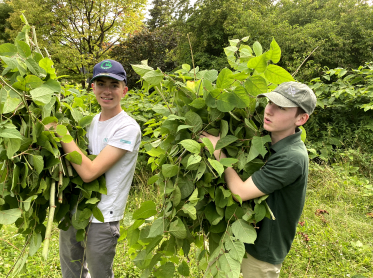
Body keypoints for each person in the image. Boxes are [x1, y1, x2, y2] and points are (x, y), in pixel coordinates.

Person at [201, 81, 316, 278]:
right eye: (270, 102)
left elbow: (240, 192)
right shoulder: (266, 138)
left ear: (301, 118)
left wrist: (219, 153)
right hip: (238, 236)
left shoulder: (292, 157)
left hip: (263, 249)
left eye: (281, 108)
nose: (269, 111)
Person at [52, 59, 141, 278]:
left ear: (125, 90)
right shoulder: (89, 122)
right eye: (101, 84)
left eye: (114, 85)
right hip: (74, 209)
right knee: (71, 273)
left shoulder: (128, 127)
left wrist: (60, 132)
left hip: (104, 216)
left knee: (100, 274)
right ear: (92, 88)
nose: (107, 91)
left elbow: (90, 172)